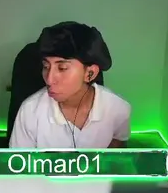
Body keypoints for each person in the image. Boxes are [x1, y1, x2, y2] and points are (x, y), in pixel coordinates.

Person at [9, 21, 131, 149]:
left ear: (90, 73)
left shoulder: (117, 109)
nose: (49, 80)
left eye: (62, 68)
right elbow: (19, 160)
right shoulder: (30, 111)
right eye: (45, 66)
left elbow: (117, 152)